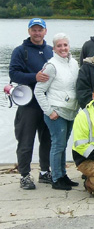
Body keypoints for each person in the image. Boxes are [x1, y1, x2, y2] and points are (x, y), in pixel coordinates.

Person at [9, 18, 53, 189]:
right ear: (29, 31)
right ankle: (25, 175)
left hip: (47, 104)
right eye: (34, 30)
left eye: (40, 30)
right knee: (26, 141)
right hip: (28, 105)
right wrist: (34, 77)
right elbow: (14, 74)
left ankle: (44, 172)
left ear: (45, 31)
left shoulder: (51, 51)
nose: (37, 33)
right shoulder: (20, 51)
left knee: (47, 140)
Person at [33, 33, 80, 190]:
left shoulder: (73, 63)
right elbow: (38, 91)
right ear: (53, 48)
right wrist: (49, 111)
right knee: (58, 145)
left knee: (63, 144)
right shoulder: (51, 66)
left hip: (70, 110)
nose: (63, 48)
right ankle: (56, 178)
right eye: (59, 46)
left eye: (65, 45)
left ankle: (62, 175)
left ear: (69, 46)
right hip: (56, 112)